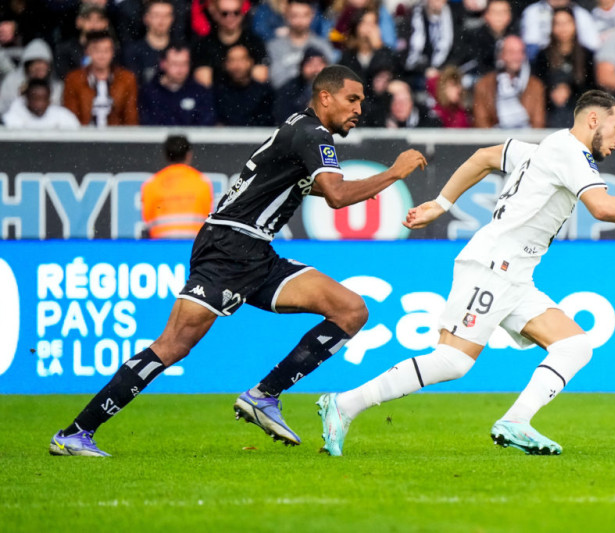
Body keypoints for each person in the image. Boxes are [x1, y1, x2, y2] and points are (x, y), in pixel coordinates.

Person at [49, 65, 428, 457]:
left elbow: (298, 186)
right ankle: (75, 433)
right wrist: (394, 173)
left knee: (350, 310)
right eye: (353, 99)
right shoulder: (313, 134)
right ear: (325, 97)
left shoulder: (301, 131)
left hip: (255, 252)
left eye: (362, 102)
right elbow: (335, 194)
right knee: (174, 345)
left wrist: (362, 189)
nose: (359, 109)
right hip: (229, 249)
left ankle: (264, 395)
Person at [315, 89, 615, 457]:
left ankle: (516, 421)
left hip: (515, 274)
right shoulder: (570, 152)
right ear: (592, 120)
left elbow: (485, 156)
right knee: (453, 361)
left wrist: (441, 203)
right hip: (493, 266)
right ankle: (344, 404)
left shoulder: (542, 149)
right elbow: (602, 208)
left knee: (575, 345)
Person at [141, 135, 214, 239]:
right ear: (188, 155)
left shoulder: (151, 184)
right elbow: (208, 219)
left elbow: (148, 220)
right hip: (194, 248)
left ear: (166, 156)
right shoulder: (202, 182)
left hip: (161, 248)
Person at [63, 30, 139, 127]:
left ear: (113, 52)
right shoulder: (74, 79)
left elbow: (131, 118)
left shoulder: (126, 78)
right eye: (97, 51)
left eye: (106, 50)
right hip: (84, 137)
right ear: (87, 52)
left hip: (117, 137)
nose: (102, 55)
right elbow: (70, 118)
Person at [473, 35, 546, 129]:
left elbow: (538, 123)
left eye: (520, 52)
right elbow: (481, 122)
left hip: (526, 141)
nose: (517, 57)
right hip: (495, 140)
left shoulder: (535, 85)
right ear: (501, 55)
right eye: (511, 52)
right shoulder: (484, 85)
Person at [192, 0, 269, 88]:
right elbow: (204, 86)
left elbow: (260, 82)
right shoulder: (204, 46)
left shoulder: (255, 42)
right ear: (214, 12)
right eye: (225, 13)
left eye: (236, 12)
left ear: (242, 11)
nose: (231, 18)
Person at [139, 43, 216, 126]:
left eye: (184, 64)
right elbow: (147, 124)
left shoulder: (200, 92)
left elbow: (206, 124)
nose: (180, 69)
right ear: (163, 64)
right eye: (175, 64)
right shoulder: (148, 92)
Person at [266, 0, 338, 89]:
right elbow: (276, 80)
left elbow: (331, 78)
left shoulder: (322, 45)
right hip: (285, 99)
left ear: (312, 15)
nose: (300, 21)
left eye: (305, 15)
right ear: (286, 15)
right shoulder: (274, 47)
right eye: (295, 15)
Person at [213, 44, 276, 126]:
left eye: (241, 60)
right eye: (232, 60)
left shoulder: (265, 92)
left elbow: (268, 121)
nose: (237, 66)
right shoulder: (217, 92)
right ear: (226, 64)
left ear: (250, 62)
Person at [0, 38, 64, 115]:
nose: (39, 67)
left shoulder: (57, 86)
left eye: (43, 63)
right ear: (27, 65)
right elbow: (4, 108)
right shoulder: (12, 82)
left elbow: (58, 111)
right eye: (35, 62)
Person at [122, 0, 175, 86]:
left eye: (166, 15)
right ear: (146, 18)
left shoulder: (182, 51)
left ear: (172, 19)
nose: (162, 20)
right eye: (156, 15)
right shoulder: (132, 51)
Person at [1, 78, 80, 129]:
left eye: (43, 99)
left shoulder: (63, 116)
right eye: (35, 99)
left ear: (49, 100)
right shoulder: (11, 118)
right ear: (27, 98)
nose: (39, 104)